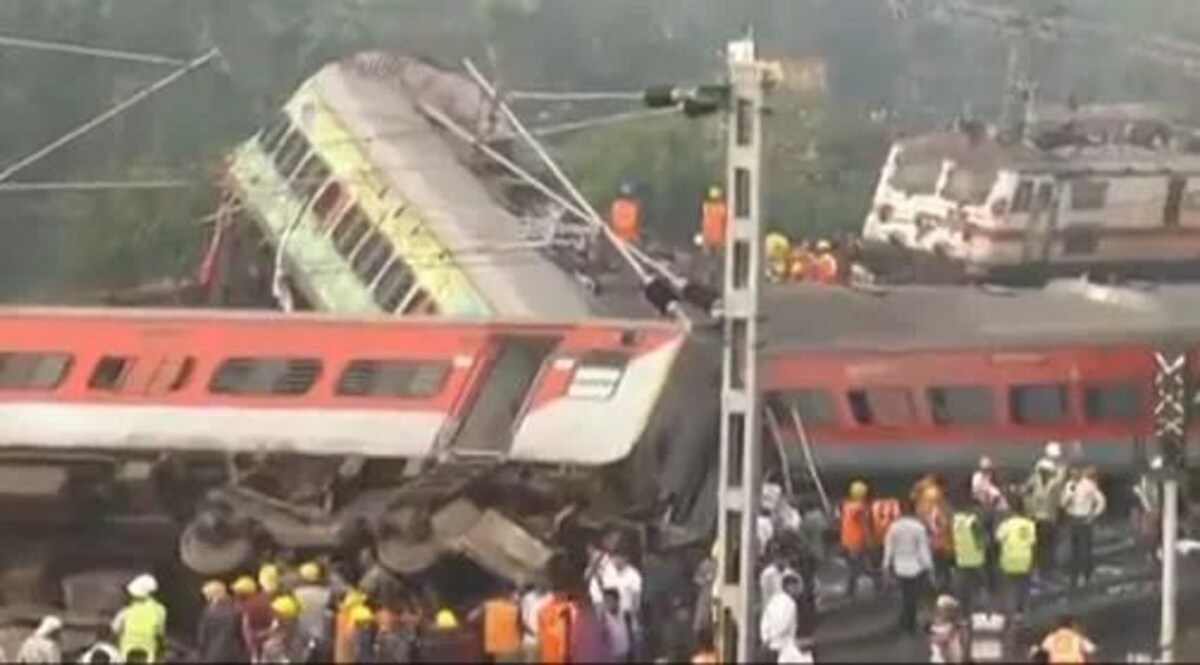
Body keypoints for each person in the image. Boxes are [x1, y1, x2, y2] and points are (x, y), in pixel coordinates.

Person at [883, 499, 934, 635]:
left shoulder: (894, 527)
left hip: (900, 566)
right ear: (914, 510)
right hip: (916, 566)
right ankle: (911, 623)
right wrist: (929, 567)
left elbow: (889, 547)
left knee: (905, 595)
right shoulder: (918, 527)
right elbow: (923, 549)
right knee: (915, 596)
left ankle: (906, 622)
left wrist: (886, 565)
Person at [1023, 449, 1067, 581]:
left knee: (1048, 548)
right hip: (1037, 519)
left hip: (1048, 519)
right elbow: (1025, 493)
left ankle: (1047, 571)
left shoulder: (1054, 483)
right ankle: (1039, 571)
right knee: (1039, 547)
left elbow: (1062, 475)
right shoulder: (1035, 481)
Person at [1062, 467, 1107, 588]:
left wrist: (1093, 515)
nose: (1073, 475)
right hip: (1072, 519)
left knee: (1085, 549)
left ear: (1080, 472)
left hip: (1084, 519)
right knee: (1074, 549)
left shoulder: (1088, 485)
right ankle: (1074, 575)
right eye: (1071, 474)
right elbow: (1063, 503)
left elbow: (1101, 501)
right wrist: (1070, 495)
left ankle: (1085, 575)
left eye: (1075, 473)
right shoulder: (1069, 485)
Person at [112, 574, 167, 663]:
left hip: (125, 653)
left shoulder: (127, 610)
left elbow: (114, 629)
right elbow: (160, 634)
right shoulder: (160, 610)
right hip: (148, 653)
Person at [996, 505, 1037, 619]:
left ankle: (1006, 610)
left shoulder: (1006, 524)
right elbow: (1033, 544)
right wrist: (1033, 561)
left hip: (1009, 559)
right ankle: (1020, 611)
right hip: (1025, 558)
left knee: (1008, 585)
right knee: (1023, 586)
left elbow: (998, 539)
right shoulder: (1030, 524)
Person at [196, 580, 247, 663]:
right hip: (234, 655)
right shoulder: (236, 610)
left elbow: (202, 637)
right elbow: (243, 635)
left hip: (213, 656)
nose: (207, 598)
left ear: (212, 596)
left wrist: (201, 655)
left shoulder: (208, 613)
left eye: (207, 596)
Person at [840, 479, 875, 597]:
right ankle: (876, 584)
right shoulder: (861, 507)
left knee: (853, 565)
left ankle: (851, 588)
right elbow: (864, 524)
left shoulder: (846, 505)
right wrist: (870, 539)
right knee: (866, 563)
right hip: (858, 541)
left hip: (847, 540)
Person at [293, 561, 334, 658]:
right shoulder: (328, 593)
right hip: (323, 637)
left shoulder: (295, 594)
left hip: (301, 636)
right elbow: (331, 615)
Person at [951, 505, 988, 613]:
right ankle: (981, 609)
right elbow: (979, 540)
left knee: (963, 586)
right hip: (976, 558)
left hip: (961, 558)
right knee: (981, 584)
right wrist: (985, 542)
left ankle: (964, 610)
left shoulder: (955, 519)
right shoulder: (972, 520)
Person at [472, 587, 522, 664]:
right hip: (508, 646)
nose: (516, 598)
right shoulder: (513, 607)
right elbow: (520, 625)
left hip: (498, 646)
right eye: (515, 595)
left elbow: (472, 616)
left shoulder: (491, 605)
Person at [759, 574, 801, 662]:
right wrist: (774, 636)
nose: (798, 590)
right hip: (783, 646)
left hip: (770, 645)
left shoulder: (774, 600)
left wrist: (766, 638)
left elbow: (765, 619)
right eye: (795, 587)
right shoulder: (790, 603)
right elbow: (784, 624)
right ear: (788, 587)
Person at [1133, 457, 1164, 561]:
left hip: (1152, 509)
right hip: (1151, 509)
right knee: (1150, 532)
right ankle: (1154, 552)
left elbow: (1151, 496)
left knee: (1151, 532)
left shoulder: (1150, 479)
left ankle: (1154, 552)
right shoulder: (1148, 479)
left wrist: (1141, 494)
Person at [928, 595, 967, 663]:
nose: (951, 613)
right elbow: (938, 640)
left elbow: (964, 644)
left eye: (953, 610)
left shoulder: (959, 626)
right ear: (940, 610)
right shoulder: (934, 627)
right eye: (948, 610)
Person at [601, 589, 633, 663]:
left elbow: (630, 633)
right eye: (606, 601)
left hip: (626, 654)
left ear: (617, 601)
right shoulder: (603, 618)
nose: (608, 603)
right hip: (612, 657)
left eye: (610, 600)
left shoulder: (626, 614)